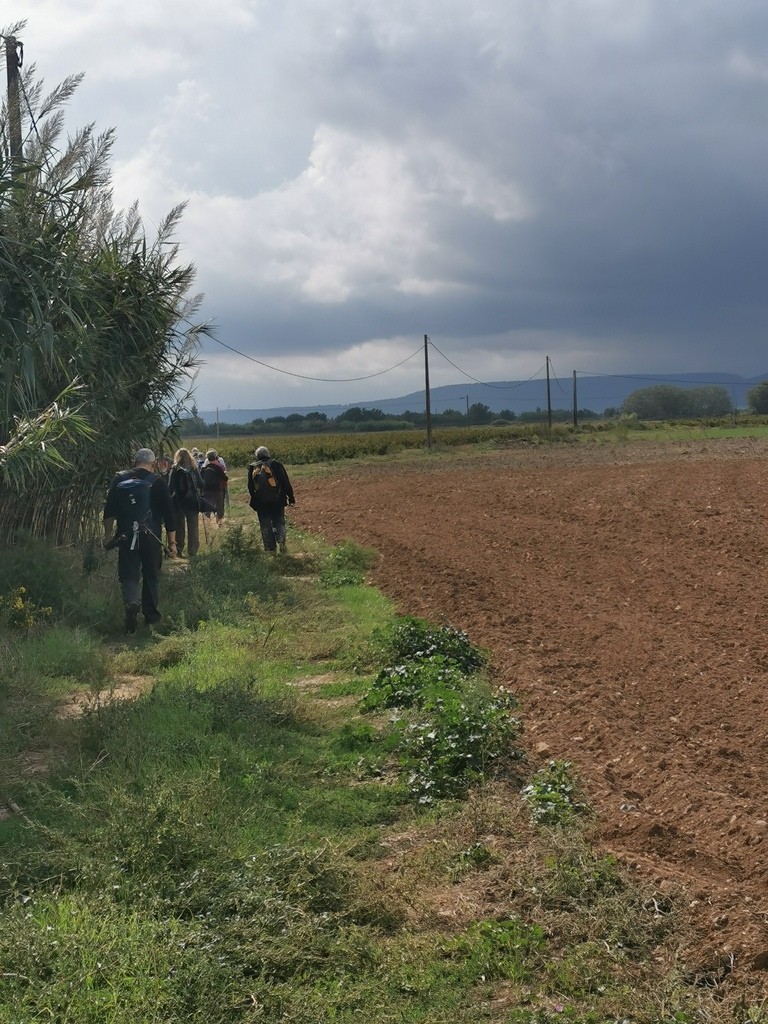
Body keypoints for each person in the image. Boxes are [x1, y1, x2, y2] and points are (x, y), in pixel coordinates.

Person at [103, 448, 177, 633]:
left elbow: (109, 511)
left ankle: (132, 602)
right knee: (151, 574)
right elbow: (169, 515)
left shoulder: (119, 479)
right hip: (151, 536)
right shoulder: (158, 482)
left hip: (126, 536)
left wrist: (107, 536)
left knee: (129, 573)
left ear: (133, 461)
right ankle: (150, 617)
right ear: (154, 463)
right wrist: (172, 544)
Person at [247, 445, 295, 553]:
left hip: (261, 503)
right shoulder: (276, 465)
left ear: (257, 456)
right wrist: (291, 498)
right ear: (268, 454)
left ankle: (270, 550)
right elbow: (285, 482)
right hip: (277, 501)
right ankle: (281, 543)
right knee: (279, 522)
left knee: (265, 525)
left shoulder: (253, 467)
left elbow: (250, 487)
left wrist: (255, 498)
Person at [168, 447, 203, 558]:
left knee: (179, 526)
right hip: (192, 500)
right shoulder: (193, 468)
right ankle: (192, 551)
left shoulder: (174, 469)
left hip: (178, 501)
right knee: (193, 526)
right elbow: (201, 483)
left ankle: (179, 550)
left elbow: (170, 487)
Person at [201, 449, 228, 524]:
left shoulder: (203, 469)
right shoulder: (218, 468)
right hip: (217, 490)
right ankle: (219, 522)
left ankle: (207, 523)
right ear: (216, 457)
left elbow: (200, 480)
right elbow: (225, 478)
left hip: (206, 490)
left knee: (207, 507)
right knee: (219, 507)